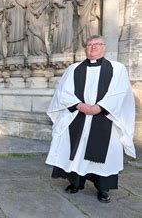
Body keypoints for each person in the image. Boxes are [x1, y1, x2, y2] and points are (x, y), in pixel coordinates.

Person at [46, 35, 136, 203]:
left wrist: (98, 108)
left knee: (106, 155)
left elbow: (119, 92)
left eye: (97, 44)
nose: (93, 47)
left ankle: (103, 189)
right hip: (77, 116)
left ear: (104, 47)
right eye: (89, 45)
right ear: (85, 49)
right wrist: (81, 106)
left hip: (105, 118)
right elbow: (63, 92)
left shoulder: (117, 69)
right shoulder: (73, 69)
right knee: (76, 152)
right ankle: (76, 183)